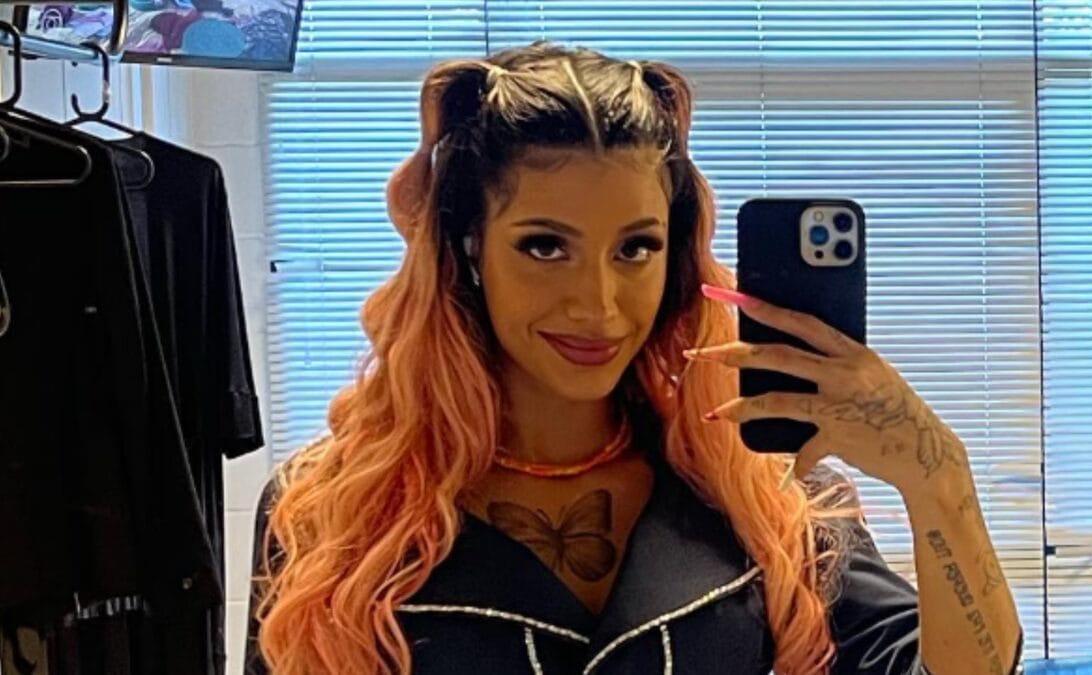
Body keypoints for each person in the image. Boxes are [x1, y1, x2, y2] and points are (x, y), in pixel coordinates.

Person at [245, 41, 1025, 674]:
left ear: (674, 254)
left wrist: (936, 475)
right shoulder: (334, 513)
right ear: (470, 247)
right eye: (544, 246)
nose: (598, 303)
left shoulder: (768, 496)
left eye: (635, 248)